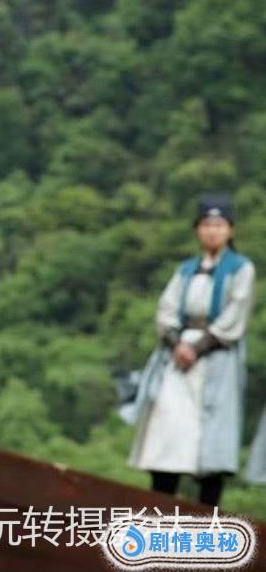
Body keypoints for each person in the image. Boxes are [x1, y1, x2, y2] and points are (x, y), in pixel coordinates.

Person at [125, 193, 255, 507]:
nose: (212, 231)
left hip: (216, 354)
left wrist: (197, 348)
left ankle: (208, 512)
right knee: (167, 424)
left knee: (212, 433)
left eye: (219, 225)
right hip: (178, 354)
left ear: (230, 230)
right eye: (206, 225)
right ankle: (159, 503)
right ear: (197, 229)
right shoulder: (185, 270)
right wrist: (176, 343)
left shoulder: (241, 269)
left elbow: (235, 314)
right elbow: (167, 309)